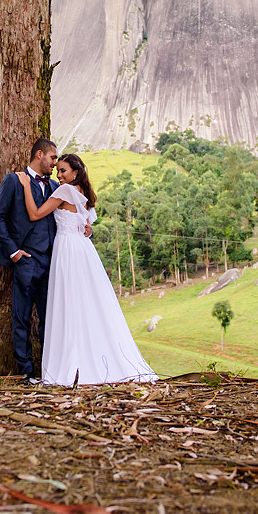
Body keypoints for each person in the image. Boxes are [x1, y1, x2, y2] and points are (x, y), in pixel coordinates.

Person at [15, 153, 158, 385]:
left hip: (68, 250)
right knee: (86, 302)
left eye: (63, 171)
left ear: (75, 172)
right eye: (58, 170)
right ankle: (88, 357)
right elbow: (87, 226)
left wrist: (24, 186)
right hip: (83, 249)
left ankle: (72, 362)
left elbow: (35, 214)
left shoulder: (63, 191)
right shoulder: (84, 193)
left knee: (69, 304)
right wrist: (88, 231)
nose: (58, 175)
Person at [0, 138, 75, 384]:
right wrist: (14, 252)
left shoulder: (54, 186)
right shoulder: (14, 181)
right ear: (40, 155)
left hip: (52, 261)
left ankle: (50, 369)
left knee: (50, 317)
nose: (55, 164)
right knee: (22, 315)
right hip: (25, 259)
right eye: (52, 158)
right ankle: (26, 371)